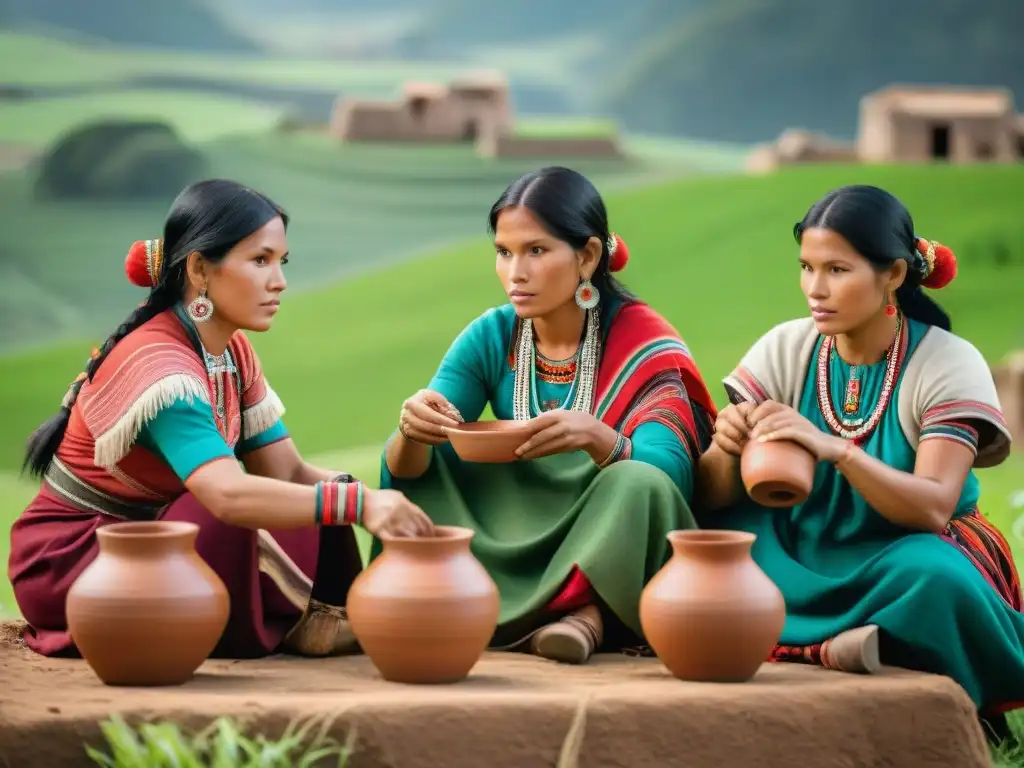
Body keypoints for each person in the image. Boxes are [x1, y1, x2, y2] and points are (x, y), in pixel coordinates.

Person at [8, 179, 433, 660]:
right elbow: (226, 495)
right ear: (199, 268)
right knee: (227, 508)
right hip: (80, 563)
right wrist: (357, 506)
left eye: (282, 262)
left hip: (154, 544)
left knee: (324, 491)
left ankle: (320, 617)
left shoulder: (231, 353)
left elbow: (288, 473)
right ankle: (295, 620)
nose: (280, 281)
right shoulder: (162, 369)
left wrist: (371, 501)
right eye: (260, 260)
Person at [696, 184, 1023, 741]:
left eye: (837, 270)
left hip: (904, 548)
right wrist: (726, 446)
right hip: (801, 537)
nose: (815, 289)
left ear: (894, 274)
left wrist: (837, 450)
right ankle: (838, 648)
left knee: (935, 580)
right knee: (704, 546)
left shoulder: (945, 361)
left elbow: (933, 508)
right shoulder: (785, 347)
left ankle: (822, 646)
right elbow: (710, 494)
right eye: (806, 267)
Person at [380, 166, 718, 664]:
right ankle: (466, 599)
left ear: (587, 256)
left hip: (603, 516)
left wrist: (601, 439)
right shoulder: (492, 335)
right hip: (515, 516)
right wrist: (413, 430)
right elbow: (408, 468)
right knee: (438, 460)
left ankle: (589, 614)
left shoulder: (642, 342)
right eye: (503, 252)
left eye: (536, 251)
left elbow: (672, 474)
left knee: (637, 485)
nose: (515, 273)